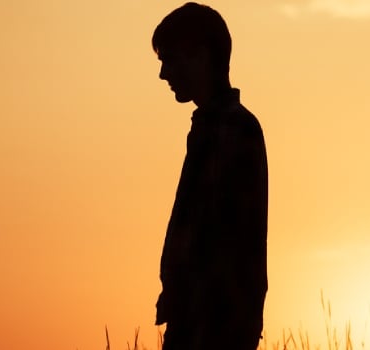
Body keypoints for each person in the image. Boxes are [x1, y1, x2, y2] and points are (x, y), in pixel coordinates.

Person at [151, 3, 268, 349]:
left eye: (171, 59)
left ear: (201, 56)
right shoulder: (211, 128)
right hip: (199, 322)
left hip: (213, 329)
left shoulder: (233, 129)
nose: (164, 73)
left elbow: (224, 241)